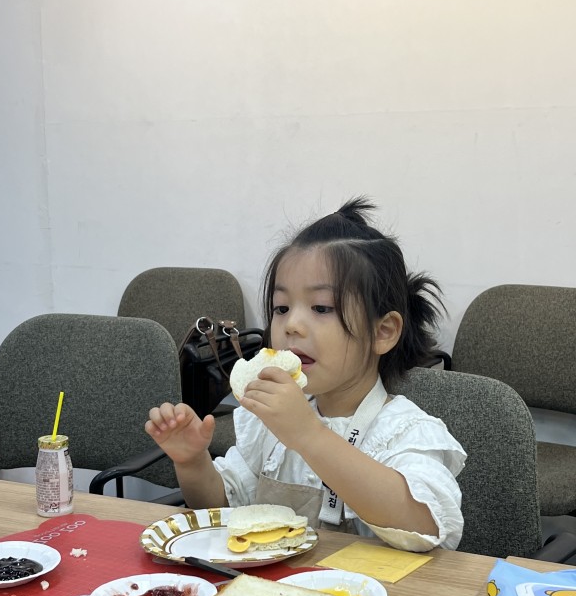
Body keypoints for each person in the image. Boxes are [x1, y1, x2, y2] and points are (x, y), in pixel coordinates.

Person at [145, 197, 466, 551]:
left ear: (382, 332)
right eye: (281, 308)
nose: (292, 325)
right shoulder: (269, 423)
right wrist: (192, 462)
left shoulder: (404, 432)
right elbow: (222, 508)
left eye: (321, 308)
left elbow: (425, 527)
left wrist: (309, 435)